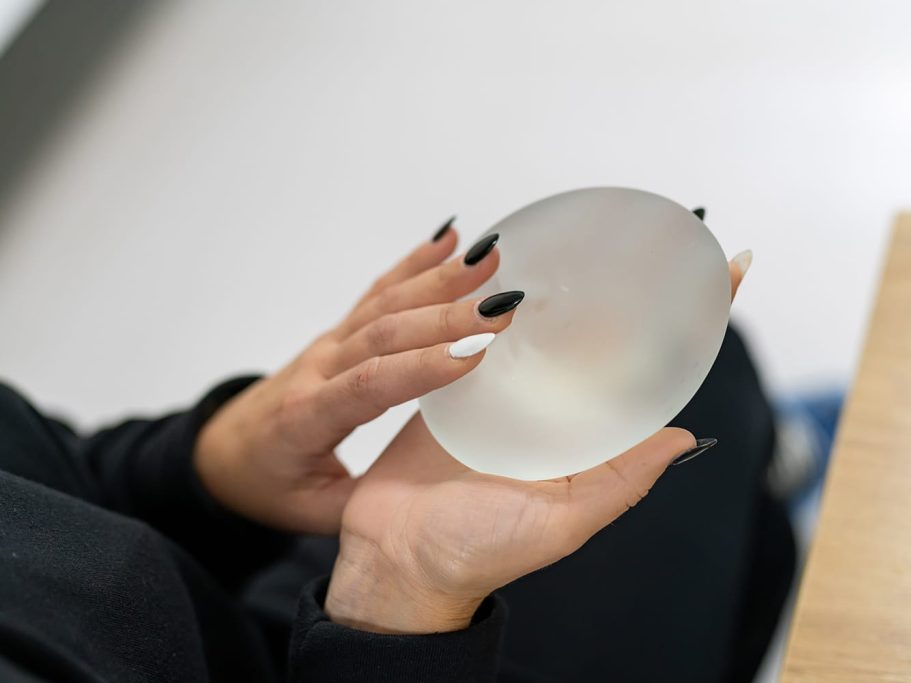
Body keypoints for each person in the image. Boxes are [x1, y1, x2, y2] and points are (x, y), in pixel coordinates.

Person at [0, 220, 775, 682]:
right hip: (378, 653)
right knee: (698, 430)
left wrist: (211, 466)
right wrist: (393, 610)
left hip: (244, 623)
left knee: (672, 371)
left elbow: (60, 490)